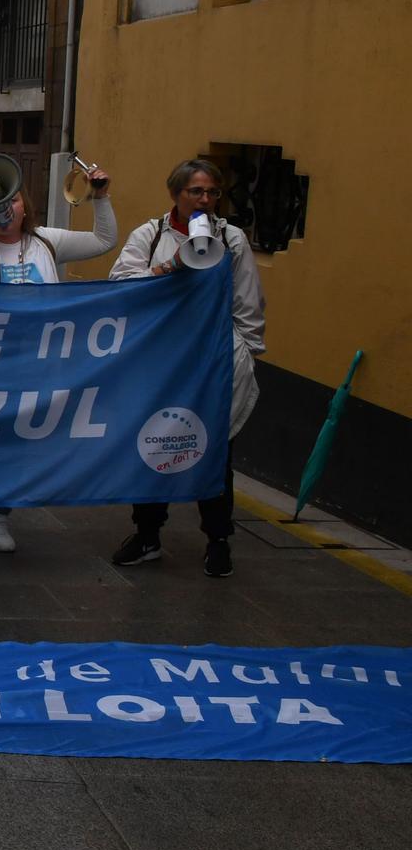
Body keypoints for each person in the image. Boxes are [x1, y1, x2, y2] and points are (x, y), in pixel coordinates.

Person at [0, 163, 118, 555]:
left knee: (13, 442)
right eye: (0, 202)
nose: (8, 207)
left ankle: (0, 518)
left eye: (15, 199)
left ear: (26, 206)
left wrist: (101, 196)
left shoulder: (46, 242)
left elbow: (104, 240)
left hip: (30, 368)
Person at [107, 158, 266, 578]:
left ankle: (218, 539)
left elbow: (248, 302)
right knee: (154, 445)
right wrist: (170, 266)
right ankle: (147, 534)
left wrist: (245, 354)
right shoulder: (151, 234)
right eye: (196, 192)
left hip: (211, 360)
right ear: (176, 194)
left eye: (213, 192)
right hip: (161, 359)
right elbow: (121, 282)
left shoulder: (230, 239)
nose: (205, 200)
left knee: (214, 451)